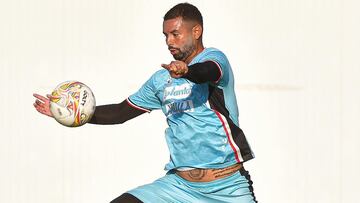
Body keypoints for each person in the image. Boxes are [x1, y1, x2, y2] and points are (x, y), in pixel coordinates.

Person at [33, 3, 257, 203]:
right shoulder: (161, 80)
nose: (169, 41)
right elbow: (120, 112)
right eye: (165, 35)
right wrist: (73, 113)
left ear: (196, 31)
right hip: (179, 188)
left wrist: (188, 71)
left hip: (227, 188)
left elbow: (208, 71)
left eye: (175, 34)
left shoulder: (214, 60)